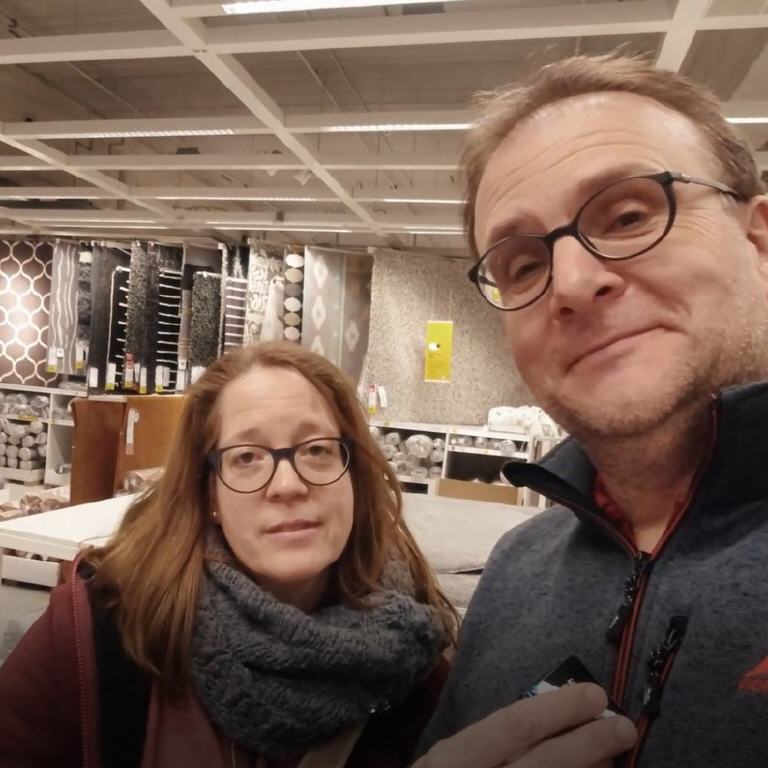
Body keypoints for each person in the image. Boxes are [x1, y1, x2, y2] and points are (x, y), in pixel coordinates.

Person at [413, 53, 768, 768]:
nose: (571, 283)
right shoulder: (514, 572)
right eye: (523, 265)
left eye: (630, 215)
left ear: (758, 242)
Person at [0, 342, 457, 768]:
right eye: (246, 458)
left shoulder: (411, 655)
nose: (287, 485)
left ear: (353, 476)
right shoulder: (100, 631)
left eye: (317, 449)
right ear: (210, 494)